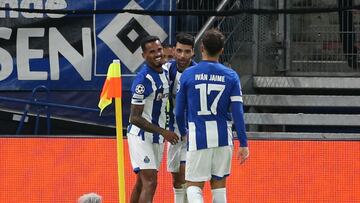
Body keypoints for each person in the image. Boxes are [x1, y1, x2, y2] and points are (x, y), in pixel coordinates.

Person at [175, 29, 249, 203]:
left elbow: (179, 111)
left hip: (198, 135)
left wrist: (184, 131)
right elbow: (238, 112)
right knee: (219, 185)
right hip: (223, 137)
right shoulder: (231, 76)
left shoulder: (188, 74)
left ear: (201, 47)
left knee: (193, 185)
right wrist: (244, 143)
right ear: (222, 50)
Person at [127, 35, 179, 203]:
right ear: (144, 55)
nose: (157, 54)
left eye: (159, 49)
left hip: (156, 137)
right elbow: (134, 118)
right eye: (152, 52)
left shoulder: (165, 71)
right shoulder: (142, 81)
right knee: (150, 182)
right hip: (141, 136)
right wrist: (164, 131)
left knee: (142, 183)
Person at [163, 32, 196, 203]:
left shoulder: (196, 73)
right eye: (179, 51)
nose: (182, 55)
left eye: (187, 51)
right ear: (174, 51)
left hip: (191, 131)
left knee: (187, 175)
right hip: (173, 131)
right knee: (176, 179)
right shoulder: (166, 70)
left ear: (193, 53)